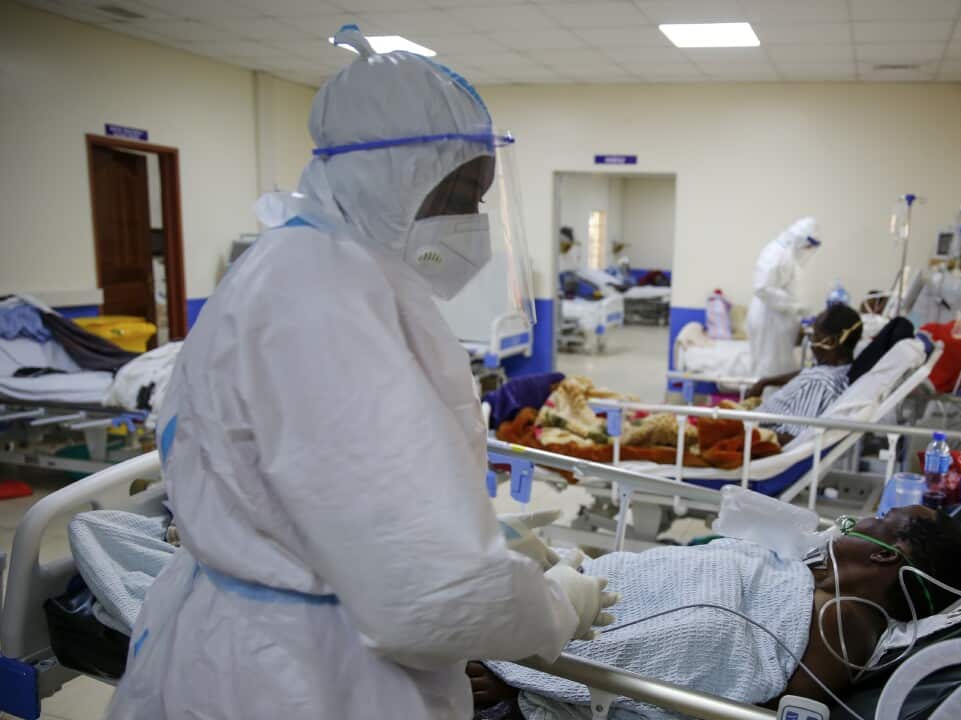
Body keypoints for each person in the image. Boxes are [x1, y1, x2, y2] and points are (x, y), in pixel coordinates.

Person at [106, 27, 615, 719]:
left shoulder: (316, 267)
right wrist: (554, 608)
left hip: (282, 649)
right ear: (391, 175)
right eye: (461, 193)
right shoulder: (322, 300)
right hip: (302, 678)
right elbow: (428, 591)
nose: (472, 221)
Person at [468, 506, 961, 718]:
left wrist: (525, 681)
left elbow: (697, 642)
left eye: (875, 520)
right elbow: (671, 573)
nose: (848, 524)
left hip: (544, 654)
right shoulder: (805, 579)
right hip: (573, 599)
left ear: (883, 554)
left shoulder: (844, 623)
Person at [746, 303, 862, 444]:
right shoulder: (840, 370)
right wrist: (765, 381)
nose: (811, 342)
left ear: (830, 342)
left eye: (815, 336)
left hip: (750, 437)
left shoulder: (819, 383)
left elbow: (796, 438)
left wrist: (748, 434)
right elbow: (808, 371)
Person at [747, 217, 820, 379]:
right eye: (807, 245)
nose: (807, 250)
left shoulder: (788, 255)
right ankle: (764, 403)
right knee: (769, 368)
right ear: (801, 239)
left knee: (779, 368)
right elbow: (762, 287)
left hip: (778, 320)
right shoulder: (775, 252)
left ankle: (775, 402)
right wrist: (795, 306)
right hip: (769, 320)